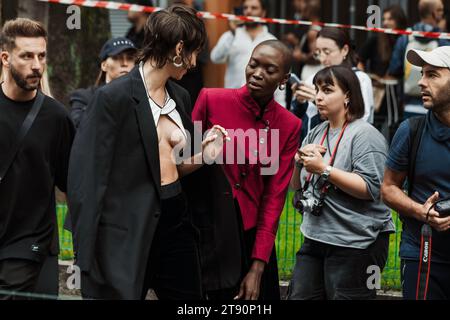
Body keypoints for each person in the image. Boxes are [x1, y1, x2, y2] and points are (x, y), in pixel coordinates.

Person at [67, 5, 229, 300]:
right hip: (130, 230)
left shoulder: (180, 96)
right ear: (179, 48)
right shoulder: (112, 98)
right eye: (193, 52)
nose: (193, 63)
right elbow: (86, 181)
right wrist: (86, 256)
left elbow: (171, 166)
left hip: (177, 224)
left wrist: (205, 154)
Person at [193, 40, 302, 300]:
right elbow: (185, 163)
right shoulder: (210, 99)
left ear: (284, 79)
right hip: (208, 231)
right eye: (253, 64)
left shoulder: (289, 125)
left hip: (251, 236)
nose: (257, 73)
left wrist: (258, 266)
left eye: (269, 69)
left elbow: (275, 198)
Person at [288, 65, 394, 300]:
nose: (318, 97)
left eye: (327, 90)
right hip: (315, 238)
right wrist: (298, 162)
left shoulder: (366, 135)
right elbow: (297, 187)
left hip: (357, 244)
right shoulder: (317, 131)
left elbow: (371, 189)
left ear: (348, 95)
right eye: (317, 90)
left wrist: (323, 169)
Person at [0, 18, 75, 300]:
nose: (36, 65)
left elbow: (72, 185)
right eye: (27, 56)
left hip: (30, 245)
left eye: (41, 56)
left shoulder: (56, 118)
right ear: (5, 58)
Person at [381, 46, 450, 300]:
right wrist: (421, 211)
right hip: (422, 253)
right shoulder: (411, 130)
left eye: (432, 75)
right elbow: (388, 189)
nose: (420, 82)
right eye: (421, 74)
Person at [291, 27, 375, 142]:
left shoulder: (360, 79)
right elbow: (298, 118)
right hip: (309, 146)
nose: (322, 58)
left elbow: (359, 121)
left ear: (344, 50)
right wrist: (299, 101)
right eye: (318, 52)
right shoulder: (313, 77)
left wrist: (316, 100)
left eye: (327, 52)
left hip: (338, 147)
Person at [210, 0, 287, 107]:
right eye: (245, 8)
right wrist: (233, 32)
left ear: (263, 13)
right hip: (233, 101)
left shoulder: (272, 40)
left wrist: (281, 106)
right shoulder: (231, 35)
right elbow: (215, 58)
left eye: (254, 8)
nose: (248, 11)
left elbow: (278, 77)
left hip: (260, 105)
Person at [387, 0, 448, 119]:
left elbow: (394, 69)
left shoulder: (405, 38)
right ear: (434, 13)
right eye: (440, 10)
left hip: (409, 106)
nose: (442, 13)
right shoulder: (443, 40)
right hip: (438, 109)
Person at [69, 37, 137, 128]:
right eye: (117, 57)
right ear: (104, 65)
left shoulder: (144, 97)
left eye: (130, 58)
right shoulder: (84, 97)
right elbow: (79, 127)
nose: (124, 63)